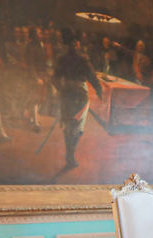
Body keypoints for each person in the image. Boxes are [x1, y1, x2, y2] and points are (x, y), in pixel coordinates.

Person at [53, 27, 102, 169]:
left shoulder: (61, 58)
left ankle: (69, 154)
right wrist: (98, 89)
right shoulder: (82, 58)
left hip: (66, 93)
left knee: (68, 125)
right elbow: (92, 76)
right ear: (75, 43)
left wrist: (61, 89)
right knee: (78, 127)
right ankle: (71, 154)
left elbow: (54, 79)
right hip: (80, 93)